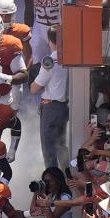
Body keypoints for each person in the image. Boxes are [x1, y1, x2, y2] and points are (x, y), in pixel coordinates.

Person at [29, 26, 67, 170]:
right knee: (62, 146)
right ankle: (67, 176)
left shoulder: (50, 62)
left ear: (49, 40)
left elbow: (34, 89)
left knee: (49, 149)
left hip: (51, 108)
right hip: (67, 106)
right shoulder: (73, 57)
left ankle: (54, 181)